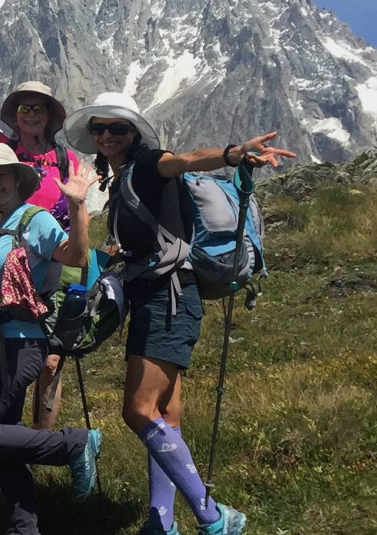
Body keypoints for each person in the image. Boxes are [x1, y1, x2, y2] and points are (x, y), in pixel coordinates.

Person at [64, 91, 294, 535]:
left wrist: (233, 153)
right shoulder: (124, 179)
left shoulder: (149, 164)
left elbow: (187, 160)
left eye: (117, 128)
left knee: (139, 411)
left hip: (167, 300)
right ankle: (160, 522)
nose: (107, 135)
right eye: (99, 129)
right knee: (165, 416)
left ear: (134, 133)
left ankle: (212, 515)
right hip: (161, 298)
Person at [0, 145, 102, 535]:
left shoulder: (35, 219)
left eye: (0, 175)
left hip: (19, 344)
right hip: (1, 342)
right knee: (2, 443)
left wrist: (77, 205)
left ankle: (74, 445)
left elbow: (77, 256)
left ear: (16, 180)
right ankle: (23, 528)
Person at [0, 19, 87, 432]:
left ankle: (40, 437)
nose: (30, 114)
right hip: (8, 256)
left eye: (38, 108)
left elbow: (77, 211)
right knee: (6, 340)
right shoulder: (2, 150)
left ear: (50, 116)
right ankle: (7, 431)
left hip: (52, 256)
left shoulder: (65, 160)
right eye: (24, 108)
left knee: (52, 354)